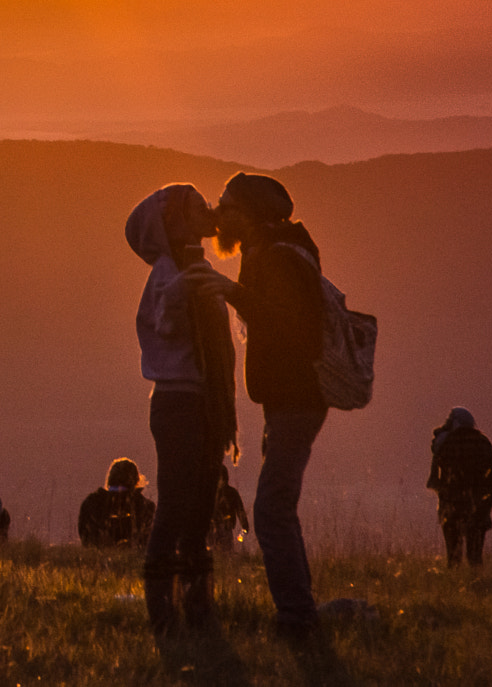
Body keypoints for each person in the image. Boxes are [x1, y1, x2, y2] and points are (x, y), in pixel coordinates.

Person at [191, 172, 329, 643]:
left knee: (270, 511)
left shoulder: (275, 258)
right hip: (288, 401)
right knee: (278, 509)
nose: (219, 214)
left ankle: (297, 620)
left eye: (226, 205)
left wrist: (232, 294)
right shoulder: (270, 252)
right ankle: (299, 611)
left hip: (296, 400)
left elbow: (298, 327)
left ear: (248, 214)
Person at [125, 183, 239, 635]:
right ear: (173, 222)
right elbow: (166, 323)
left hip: (201, 399)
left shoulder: (193, 268)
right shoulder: (168, 274)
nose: (205, 209)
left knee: (199, 503)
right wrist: (190, 288)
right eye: (194, 206)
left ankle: (195, 605)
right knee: (176, 502)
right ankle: (164, 609)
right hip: (179, 401)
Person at [427, 407, 492, 567]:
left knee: (453, 557)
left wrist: (445, 490)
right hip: (479, 506)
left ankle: (454, 588)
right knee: (475, 557)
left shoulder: (445, 442)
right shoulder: (483, 441)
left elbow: (433, 480)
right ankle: (478, 587)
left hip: (451, 505)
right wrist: (482, 489)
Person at [78, 459, 157, 549]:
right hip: (133, 559)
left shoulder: (92, 503)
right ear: (137, 480)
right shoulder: (144, 506)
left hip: (98, 558)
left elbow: (86, 539)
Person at [212, 465, 251, 555]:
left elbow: (240, 510)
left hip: (226, 528)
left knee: (226, 554)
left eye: (220, 478)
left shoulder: (231, 493)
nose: (219, 481)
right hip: (213, 529)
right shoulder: (211, 493)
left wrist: (244, 526)